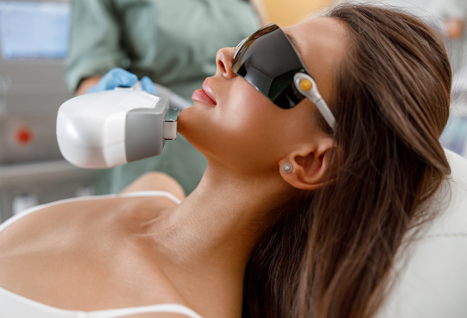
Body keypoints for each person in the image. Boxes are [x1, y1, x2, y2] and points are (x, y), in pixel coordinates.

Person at [1, 3, 467, 318]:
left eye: (269, 58)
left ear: (308, 162)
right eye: (252, 41)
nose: (226, 56)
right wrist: (106, 102)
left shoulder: (168, 308)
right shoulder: (154, 193)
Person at [65, 0, 262, 196]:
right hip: (154, 148)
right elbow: (90, 73)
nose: (224, 55)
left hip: (237, 150)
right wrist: (102, 96)